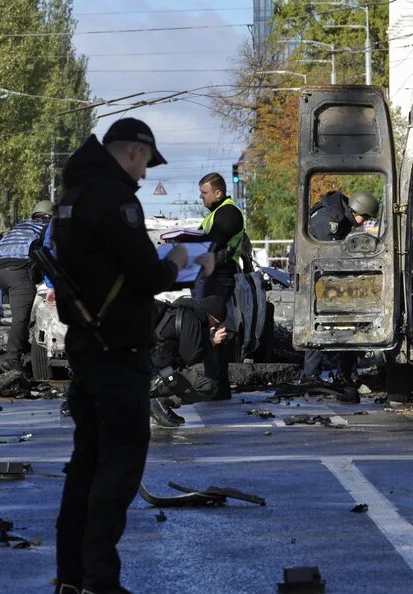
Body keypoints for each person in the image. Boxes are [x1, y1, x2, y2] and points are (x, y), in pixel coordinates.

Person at [51, 118, 208, 594]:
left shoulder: (73, 196)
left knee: (85, 468)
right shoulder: (115, 198)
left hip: (88, 344)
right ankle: (101, 580)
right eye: (144, 165)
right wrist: (182, 260)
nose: (143, 177)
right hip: (117, 349)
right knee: (117, 469)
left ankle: (73, 578)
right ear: (135, 153)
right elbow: (146, 275)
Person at [298, 189, 379, 385]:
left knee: (343, 319)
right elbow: (328, 256)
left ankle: (343, 372)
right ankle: (312, 375)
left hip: (319, 272)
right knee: (317, 320)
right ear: (358, 212)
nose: (365, 221)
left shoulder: (340, 216)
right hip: (313, 273)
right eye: (366, 217)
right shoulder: (330, 220)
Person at [194, 172, 245, 401]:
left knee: (213, 329)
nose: (201, 198)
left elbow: (212, 244)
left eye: (204, 193)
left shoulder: (228, 213)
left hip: (219, 277)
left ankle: (216, 386)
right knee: (209, 329)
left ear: (218, 192)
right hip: (212, 275)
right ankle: (213, 384)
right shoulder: (217, 213)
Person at [0, 200, 54, 373]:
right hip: (18, 271)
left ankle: (24, 349)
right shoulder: (48, 226)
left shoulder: (22, 225)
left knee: (21, 314)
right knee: (21, 318)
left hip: (0, 271)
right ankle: (12, 359)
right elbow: (49, 255)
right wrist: (51, 284)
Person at [149, 295, 229, 427]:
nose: (214, 326)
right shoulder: (191, 319)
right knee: (207, 386)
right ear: (210, 316)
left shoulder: (179, 309)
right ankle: (159, 401)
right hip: (153, 375)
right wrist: (211, 342)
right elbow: (191, 357)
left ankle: (159, 403)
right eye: (216, 323)